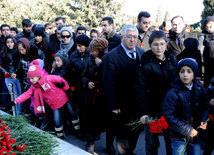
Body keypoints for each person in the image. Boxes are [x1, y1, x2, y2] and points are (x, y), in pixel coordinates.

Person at [103, 24, 144, 155]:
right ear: (122, 37)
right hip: (120, 104)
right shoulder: (111, 57)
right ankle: (120, 150)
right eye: (129, 37)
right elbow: (108, 83)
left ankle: (129, 151)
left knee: (135, 130)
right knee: (121, 133)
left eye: (135, 37)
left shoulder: (141, 52)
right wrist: (113, 105)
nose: (132, 40)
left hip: (137, 103)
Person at [14, 60, 79, 139]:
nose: (31, 80)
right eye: (30, 78)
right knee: (57, 120)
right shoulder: (34, 87)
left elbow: (61, 80)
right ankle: (60, 135)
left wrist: (67, 89)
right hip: (54, 105)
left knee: (72, 113)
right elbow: (26, 94)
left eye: (32, 78)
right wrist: (16, 101)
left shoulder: (49, 78)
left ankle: (77, 129)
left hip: (63, 97)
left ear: (38, 76)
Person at [139, 31, 177, 155]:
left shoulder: (172, 59)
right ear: (150, 45)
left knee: (170, 141)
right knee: (152, 143)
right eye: (155, 44)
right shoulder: (145, 62)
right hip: (152, 109)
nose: (159, 48)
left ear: (166, 44)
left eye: (161, 44)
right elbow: (140, 88)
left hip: (169, 109)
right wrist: (144, 112)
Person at [162, 58, 209, 155]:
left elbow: (205, 107)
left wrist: (204, 119)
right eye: (182, 71)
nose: (185, 74)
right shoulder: (173, 92)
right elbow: (168, 114)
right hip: (178, 137)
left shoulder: (200, 89)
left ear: (194, 73)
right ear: (178, 73)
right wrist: (187, 130)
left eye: (189, 71)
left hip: (195, 135)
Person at [81, 38, 108, 154]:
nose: (91, 53)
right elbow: (83, 75)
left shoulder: (107, 60)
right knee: (90, 120)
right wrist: (87, 82)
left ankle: (107, 143)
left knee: (100, 121)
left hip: (103, 96)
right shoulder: (89, 60)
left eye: (94, 51)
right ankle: (90, 143)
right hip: (91, 96)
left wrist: (101, 65)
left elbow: (108, 78)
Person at [0, 35, 22, 114]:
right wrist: (5, 72)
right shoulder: (3, 53)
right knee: (7, 93)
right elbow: (1, 65)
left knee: (18, 95)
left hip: (16, 76)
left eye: (11, 42)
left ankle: (18, 112)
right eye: (8, 42)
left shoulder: (17, 51)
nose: (10, 44)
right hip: (6, 76)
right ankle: (9, 110)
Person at [198, 16, 214, 87]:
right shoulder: (201, 37)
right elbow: (199, 53)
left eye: (212, 23)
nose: (211, 26)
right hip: (206, 69)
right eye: (209, 24)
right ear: (205, 26)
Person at [203, 77, 214, 155]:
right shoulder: (210, 90)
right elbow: (203, 106)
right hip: (211, 120)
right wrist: (209, 103)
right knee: (209, 146)